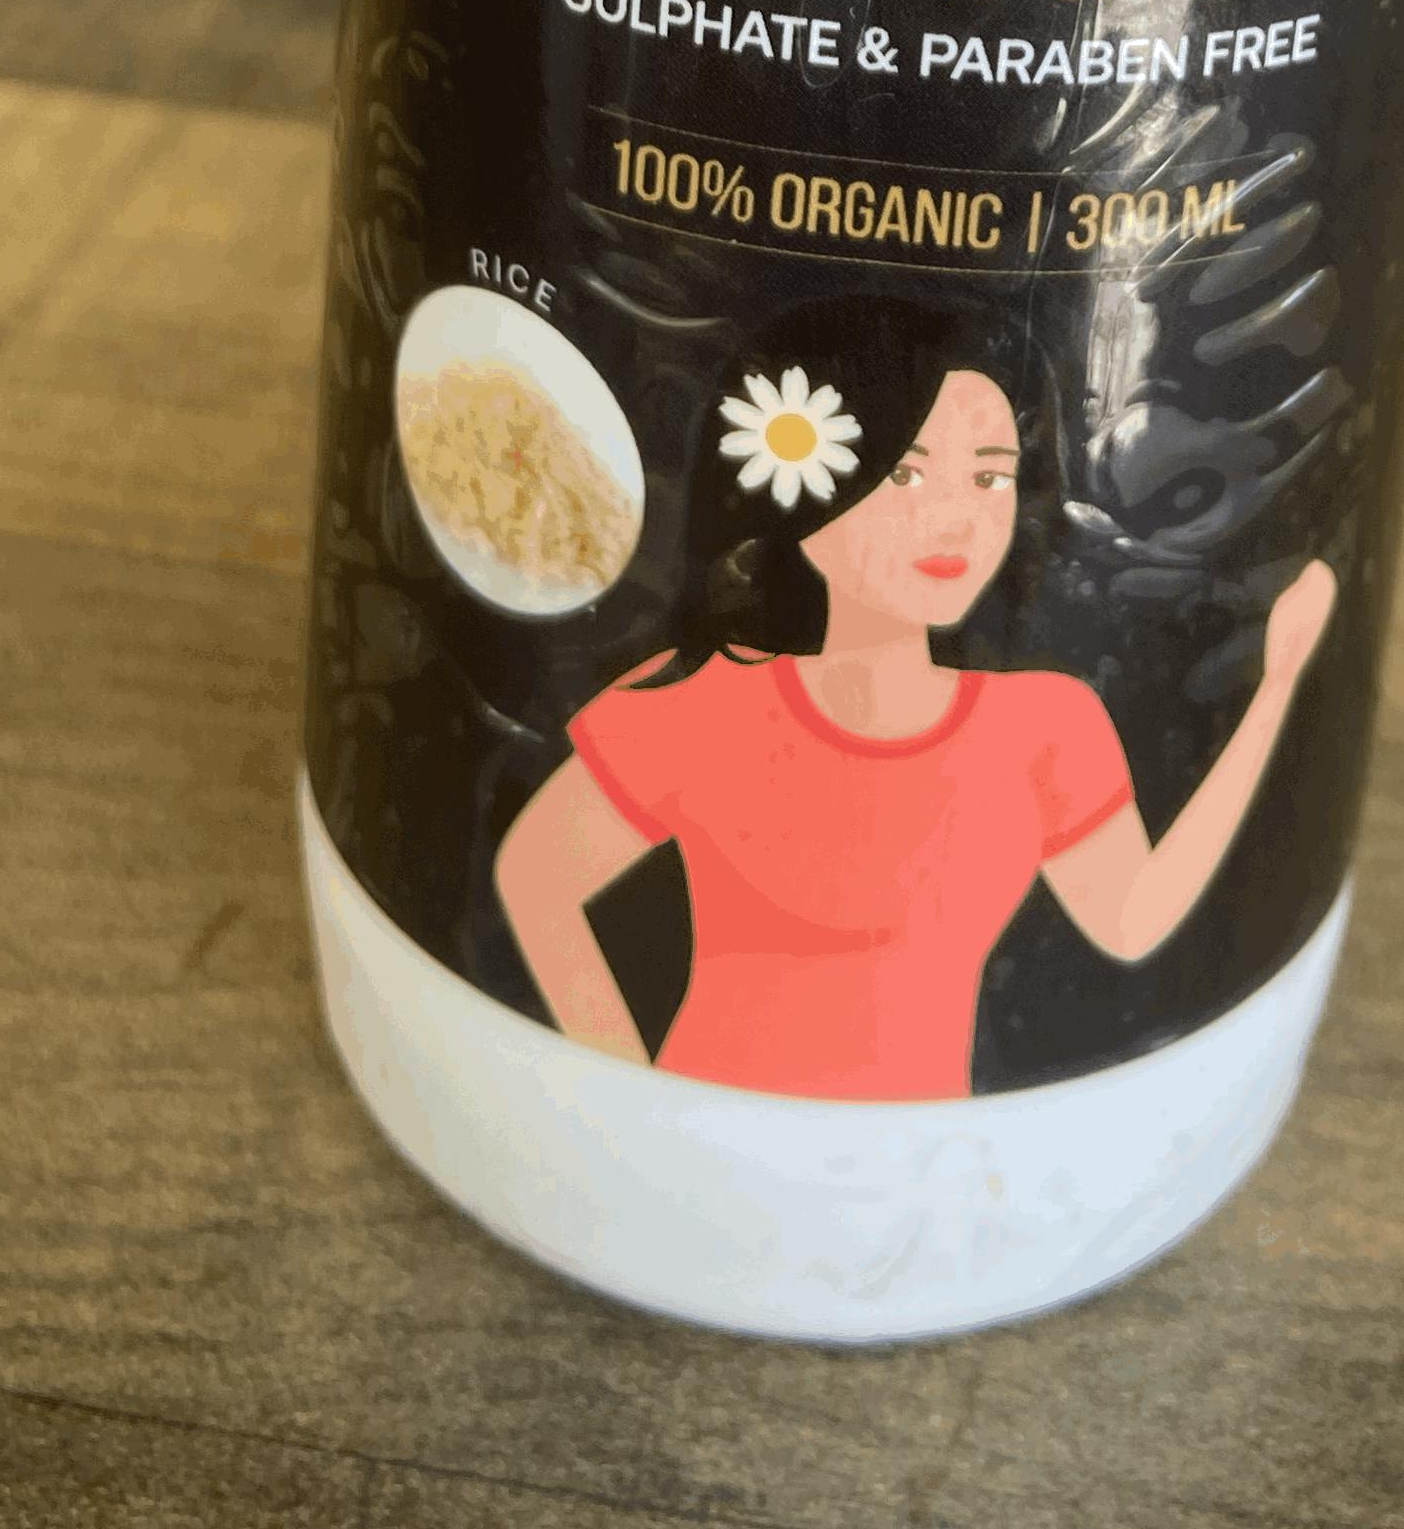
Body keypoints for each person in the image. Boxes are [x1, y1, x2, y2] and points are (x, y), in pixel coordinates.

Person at [494, 293, 1336, 1101]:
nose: (958, 520)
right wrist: (642, 1101)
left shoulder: (1043, 727)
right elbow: (538, 877)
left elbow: (1131, 919)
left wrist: (1275, 688)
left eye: (990, 478)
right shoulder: (709, 698)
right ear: (810, 486)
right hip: (705, 1137)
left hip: (936, 1158)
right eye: (905, 475)